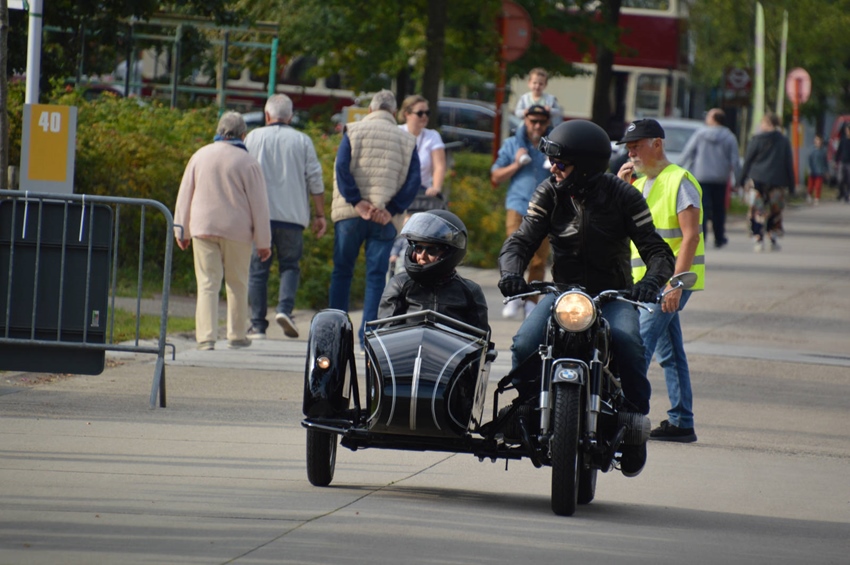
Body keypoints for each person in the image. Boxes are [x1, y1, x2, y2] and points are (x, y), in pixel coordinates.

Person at [499, 119, 675, 477]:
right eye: (553, 162)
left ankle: (634, 423)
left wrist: (650, 282)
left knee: (629, 341)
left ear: (585, 166)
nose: (553, 168)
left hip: (612, 295)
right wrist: (511, 273)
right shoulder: (549, 192)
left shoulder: (624, 196)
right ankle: (528, 406)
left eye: (560, 163)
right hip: (564, 295)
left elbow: (657, 250)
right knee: (524, 344)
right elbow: (521, 240)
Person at [616, 118, 705, 443]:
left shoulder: (680, 180)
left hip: (668, 283)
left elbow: (690, 236)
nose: (631, 153)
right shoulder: (638, 184)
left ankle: (623, 418)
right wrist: (620, 187)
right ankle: (682, 421)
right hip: (645, 284)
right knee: (671, 353)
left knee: (636, 348)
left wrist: (676, 285)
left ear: (657, 144)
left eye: (636, 147)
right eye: (628, 148)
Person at [329, 89, 421, 351]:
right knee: (376, 276)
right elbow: (413, 180)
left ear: (370, 110)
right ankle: (367, 337)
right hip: (384, 218)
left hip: (351, 214)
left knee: (342, 271)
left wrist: (357, 201)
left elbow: (342, 168)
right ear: (394, 113)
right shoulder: (407, 140)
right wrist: (391, 209)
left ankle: (335, 333)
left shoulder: (353, 131)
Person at [174, 112, 272, 351]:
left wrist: (181, 230)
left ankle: (206, 338)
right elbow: (259, 205)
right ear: (243, 135)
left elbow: (185, 194)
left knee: (207, 283)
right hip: (237, 230)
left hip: (203, 227)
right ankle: (236, 335)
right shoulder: (248, 162)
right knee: (237, 282)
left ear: (218, 131)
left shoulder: (200, 156)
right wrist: (263, 242)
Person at [244, 94, 326, 341]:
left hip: (260, 216)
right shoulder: (302, 140)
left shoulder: (253, 137)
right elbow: (315, 179)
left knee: (258, 270)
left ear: (267, 115)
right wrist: (320, 214)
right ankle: (284, 310)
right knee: (290, 266)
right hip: (293, 217)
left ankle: (257, 325)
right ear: (290, 117)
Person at [378, 210, 488, 334]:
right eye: (418, 248)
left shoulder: (469, 291)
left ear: (450, 252)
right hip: (409, 346)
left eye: (432, 250)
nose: (422, 256)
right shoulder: (399, 284)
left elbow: (480, 339)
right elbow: (385, 335)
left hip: (450, 346)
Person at [491, 104, 553, 320]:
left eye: (542, 122)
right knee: (515, 251)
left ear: (548, 123)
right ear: (525, 120)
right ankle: (513, 295)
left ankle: (531, 302)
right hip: (518, 205)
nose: (537, 126)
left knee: (539, 260)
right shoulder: (513, 144)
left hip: (545, 209)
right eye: (533, 121)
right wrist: (516, 164)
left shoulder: (552, 144)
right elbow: (496, 176)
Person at [679, 108, 740, 248]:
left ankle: (702, 236)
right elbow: (735, 160)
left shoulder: (700, 134)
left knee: (702, 208)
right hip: (721, 178)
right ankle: (719, 237)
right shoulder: (729, 137)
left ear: (713, 119)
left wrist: (676, 169)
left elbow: (688, 153)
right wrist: (737, 180)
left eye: (709, 116)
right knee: (719, 209)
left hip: (701, 176)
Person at [739, 112, 795, 252]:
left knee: (757, 210)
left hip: (757, 178)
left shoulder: (757, 139)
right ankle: (772, 237)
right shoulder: (783, 141)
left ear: (768, 124)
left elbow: (748, 161)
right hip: (777, 180)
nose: (760, 125)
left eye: (762, 122)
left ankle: (758, 238)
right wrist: (791, 185)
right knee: (775, 211)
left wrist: (741, 179)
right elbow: (788, 163)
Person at [398, 95, 447, 212]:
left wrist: (435, 188)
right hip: (398, 190)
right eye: (420, 113)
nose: (424, 116)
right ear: (407, 114)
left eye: (427, 113)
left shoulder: (432, 136)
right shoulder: (397, 132)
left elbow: (439, 166)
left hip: (422, 192)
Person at [807, 134, 828, 205]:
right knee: (810, 186)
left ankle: (817, 198)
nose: (818, 141)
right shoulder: (811, 150)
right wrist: (809, 168)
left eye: (819, 140)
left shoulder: (823, 151)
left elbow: (825, 162)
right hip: (812, 171)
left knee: (818, 186)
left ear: (821, 141)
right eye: (816, 140)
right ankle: (809, 195)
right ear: (814, 141)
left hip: (819, 171)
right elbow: (809, 160)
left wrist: (826, 170)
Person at [835, 123, 850, 203]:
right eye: (846, 130)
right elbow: (839, 151)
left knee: (848, 180)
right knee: (840, 179)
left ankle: (847, 195)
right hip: (842, 162)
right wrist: (836, 160)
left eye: (848, 130)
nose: (847, 132)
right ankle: (842, 193)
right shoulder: (843, 140)